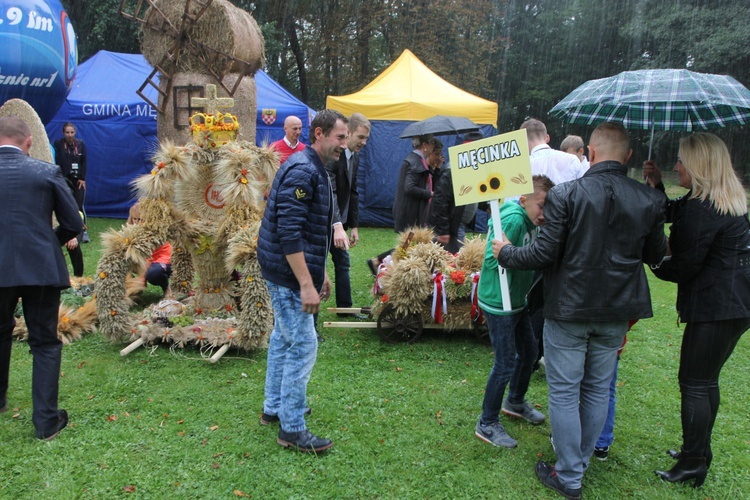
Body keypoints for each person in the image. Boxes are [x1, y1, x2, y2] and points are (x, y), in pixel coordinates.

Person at [494, 122, 667, 499]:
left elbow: (543, 253)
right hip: (615, 310)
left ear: (589, 151)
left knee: (566, 391)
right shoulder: (648, 199)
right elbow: (655, 256)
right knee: (595, 389)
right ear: (630, 157)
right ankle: (578, 465)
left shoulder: (568, 194)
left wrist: (504, 252)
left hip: (570, 309)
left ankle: (570, 474)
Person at [644, 133, 750, 488]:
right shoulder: (718, 200)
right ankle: (699, 451)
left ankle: (692, 462)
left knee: (693, 383)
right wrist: (657, 186)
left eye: (681, 162)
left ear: (699, 167)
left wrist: (653, 261)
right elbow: (674, 210)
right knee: (707, 382)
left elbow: (683, 266)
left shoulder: (704, 212)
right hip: (735, 305)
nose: (676, 167)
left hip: (715, 307)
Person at [257, 109, 348, 453]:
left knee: (283, 337)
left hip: (288, 268)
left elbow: (312, 232)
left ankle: (274, 407)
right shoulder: (303, 170)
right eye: (339, 138)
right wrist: (305, 284)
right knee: (304, 343)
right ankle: (292, 427)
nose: (344, 145)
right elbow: (289, 232)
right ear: (320, 133)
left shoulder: (317, 168)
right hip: (285, 272)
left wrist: (320, 272)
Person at [0, 116, 83, 440]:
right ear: (29, 141)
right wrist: (50, 243)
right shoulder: (46, 172)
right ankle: (46, 422)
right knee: (45, 343)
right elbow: (73, 224)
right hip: (40, 269)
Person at [474, 175, 553, 449]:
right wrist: (514, 253)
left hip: (518, 299)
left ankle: (515, 401)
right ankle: (487, 422)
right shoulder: (515, 219)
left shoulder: (533, 222)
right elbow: (491, 259)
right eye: (541, 205)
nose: (545, 213)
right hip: (500, 302)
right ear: (523, 200)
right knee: (505, 362)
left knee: (529, 353)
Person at [324, 113, 371, 320]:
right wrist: (336, 224)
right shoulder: (334, 157)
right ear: (349, 132)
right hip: (324, 222)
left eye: (366, 138)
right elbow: (330, 192)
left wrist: (353, 226)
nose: (364, 142)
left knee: (343, 263)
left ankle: (345, 308)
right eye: (361, 137)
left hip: (340, 224)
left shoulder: (357, 157)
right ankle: (310, 320)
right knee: (318, 267)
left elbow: (353, 191)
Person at [429, 131, 484, 254]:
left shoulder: (470, 168)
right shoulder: (452, 170)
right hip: (452, 225)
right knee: (454, 261)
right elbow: (440, 200)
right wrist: (443, 231)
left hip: (458, 224)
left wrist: (486, 206)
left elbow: (473, 192)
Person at [53, 122, 89, 242]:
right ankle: (67, 230)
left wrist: (82, 178)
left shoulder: (80, 144)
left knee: (79, 205)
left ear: (75, 132)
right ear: (63, 133)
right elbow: (56, 161)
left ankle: (83, 231)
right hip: (64, 180)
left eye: (72, 132)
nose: (69, 135)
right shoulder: (58, 144)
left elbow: (84, 162)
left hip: (78, 180)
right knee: (66, 204)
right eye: (67, 132)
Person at [128, 203, 173, 299]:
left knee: (153, 274)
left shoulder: (153, 231)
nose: (137, 222)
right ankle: (131, 288)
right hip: (146, 262)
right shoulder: (131, 231)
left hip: (162, 260)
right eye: (135, 219)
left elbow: (147, 256)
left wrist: (142, 279)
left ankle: (166, 288)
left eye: (141, 219)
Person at [392, 134, 435, 233]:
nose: (433, 146)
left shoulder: (417, 160)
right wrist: (429, 194)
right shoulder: (415, 162)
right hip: (410, 216)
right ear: (424, 145)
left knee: (409, 246)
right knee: (406, 246)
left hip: (411, 214)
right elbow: (409, 187)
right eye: (431, 143)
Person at [521, 119, 583, 186]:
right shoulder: (572, 159)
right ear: (547, 137)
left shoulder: (523, 165)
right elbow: (583, 191)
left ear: (523, 140)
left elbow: (516, 195)